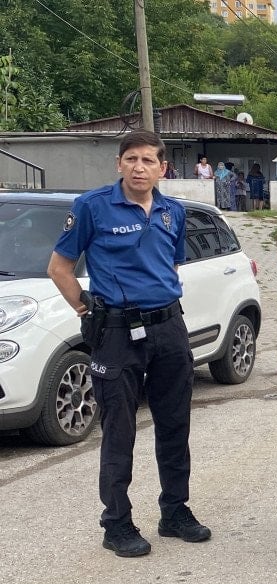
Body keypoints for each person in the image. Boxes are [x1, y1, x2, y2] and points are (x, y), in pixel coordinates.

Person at [47, 130, 210, 558]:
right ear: (118, 164)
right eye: (132, 159)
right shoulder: (92, 207)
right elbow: (59, 268)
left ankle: (175, 511)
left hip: (168, 327)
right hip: (117, 332)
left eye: (148, 160)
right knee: (119, 429)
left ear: (162, 168)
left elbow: (170, 266)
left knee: (174, 424)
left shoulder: (173, 212)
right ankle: (116, 522)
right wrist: (87, 311)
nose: (140, 167)